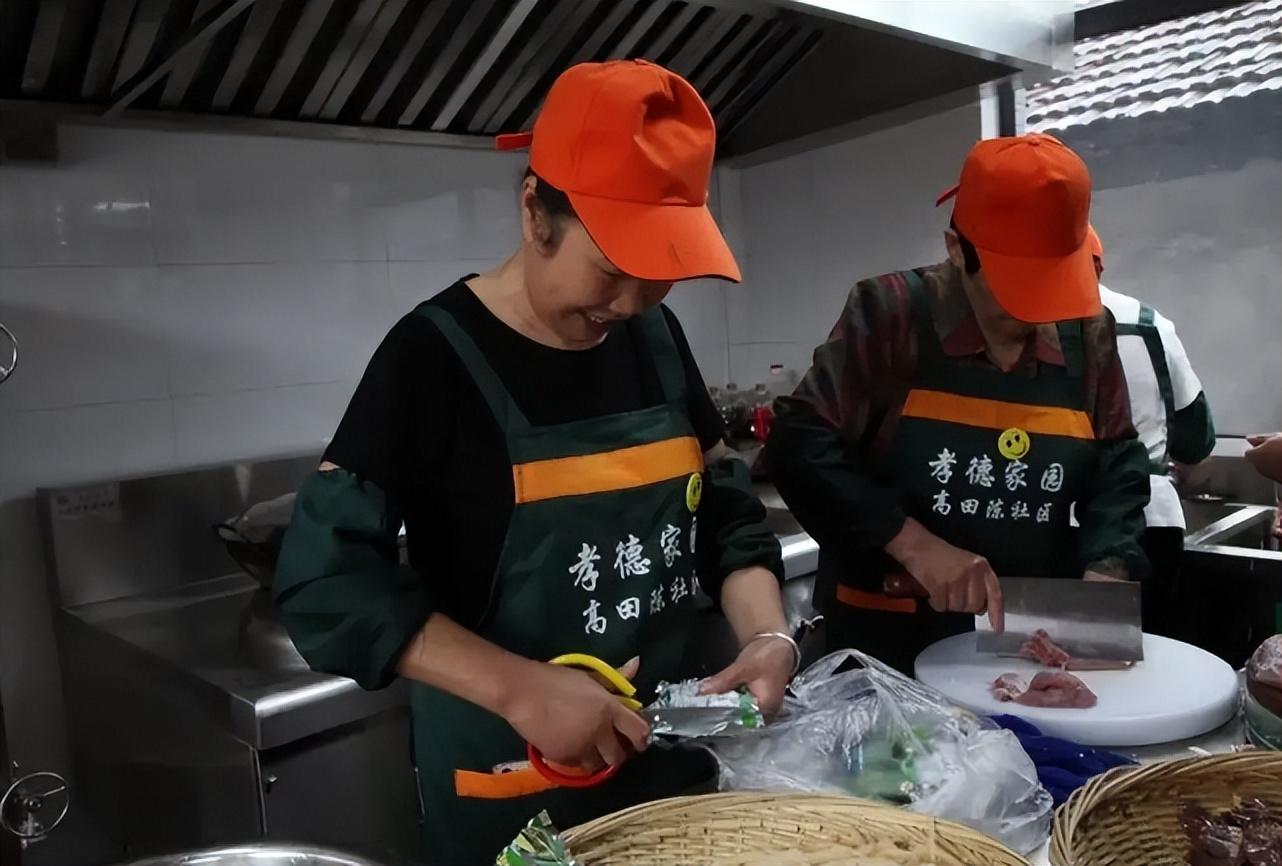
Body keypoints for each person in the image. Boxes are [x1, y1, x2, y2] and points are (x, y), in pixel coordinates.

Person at [272, 60, 794, 864]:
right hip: (515, 784)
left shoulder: (654, 338)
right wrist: (520, 689)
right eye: (611, 269)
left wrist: (766, 634)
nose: (628, 305)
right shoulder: (434, 355)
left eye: (657, 279)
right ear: (534, 213)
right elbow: (325, 580)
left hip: (668, 767)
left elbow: (723, 505)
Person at [767, 133, 1151, 675]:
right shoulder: (892, 314)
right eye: (1018, 287)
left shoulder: (1087, 334)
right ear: (955, 249)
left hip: (1027, 640)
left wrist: (1107, 572)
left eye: (1052, 285)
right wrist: (913, 544)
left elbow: (1119, 466)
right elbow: (798, 445)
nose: (1037, 312)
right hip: (887, 640)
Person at [1087, 226, 1215, 632]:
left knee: (1051, 655)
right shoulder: (1148, 323)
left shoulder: (1018, 324)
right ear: (1099, 266)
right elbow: (1196, 440)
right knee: (1151, 655)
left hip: (1052, 523)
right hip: (1150, 522)